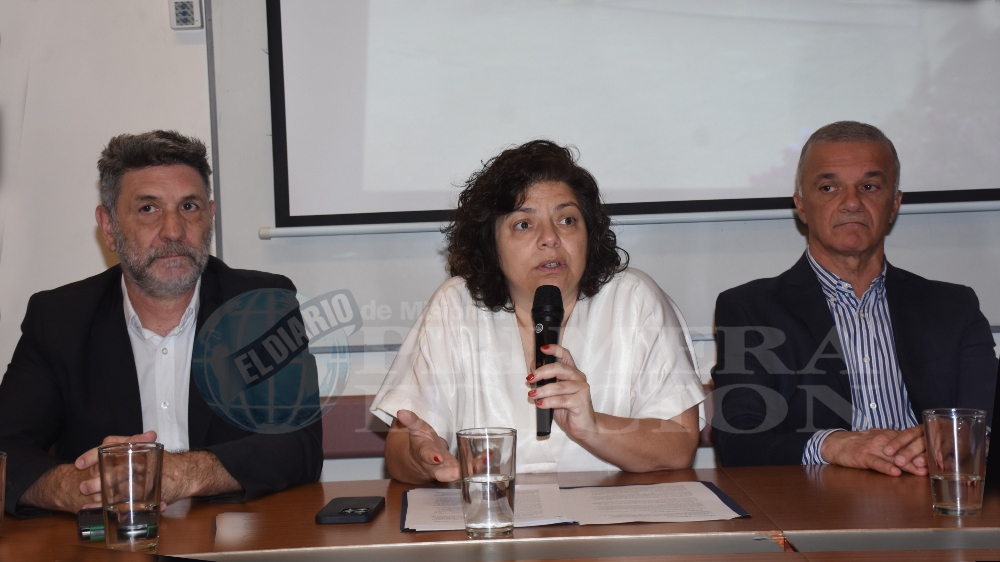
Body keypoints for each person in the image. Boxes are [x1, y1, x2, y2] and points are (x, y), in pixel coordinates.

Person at [0, 131, 323, 516]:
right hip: (112, 542)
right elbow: (6, 446)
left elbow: (299, 444)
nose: (173, 230)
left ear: (210, 218)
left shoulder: (261, 307)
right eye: (148, 209)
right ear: (109, 227)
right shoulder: (59, 320)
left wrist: (183, 473)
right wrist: (73, 486)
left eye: (189, 206)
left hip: (231, 539)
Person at [371, 140, 705, 484]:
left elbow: (679, 446)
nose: (550, 238)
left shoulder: (634, 300)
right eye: (524, 224)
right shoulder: (455, 305)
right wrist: (424, 457)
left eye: (567, 220)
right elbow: (402, 450)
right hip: (498, 510)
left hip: (612, 514)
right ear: (491, 243)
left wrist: (593, 427)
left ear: (588, 234)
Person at [711, 121, 997, 476]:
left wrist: (958, 439)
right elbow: (738, 444)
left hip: (932, 495)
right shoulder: (751, 309)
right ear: (801, 206)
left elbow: (986, 421)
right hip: (820, 502)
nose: (851, 203)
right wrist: (832, 445)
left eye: (869, 187)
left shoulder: (954, 307)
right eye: (828, 187)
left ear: (894, 204)